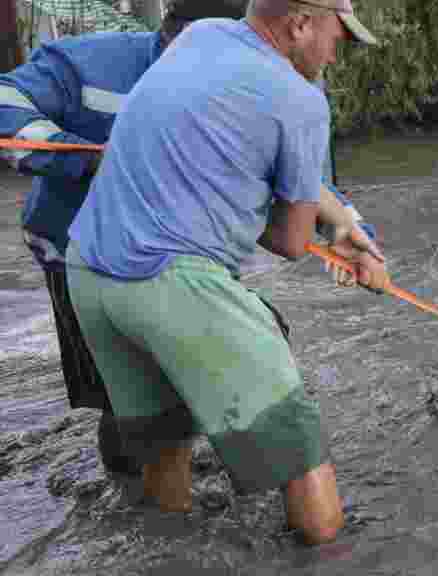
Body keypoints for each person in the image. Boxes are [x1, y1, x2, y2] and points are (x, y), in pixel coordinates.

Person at [0, 0, 377, 478]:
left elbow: (308, 186)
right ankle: (134, 482)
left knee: (239, 352)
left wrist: (358, 234)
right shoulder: (92, 63)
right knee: (120, 404)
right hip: (76, 249)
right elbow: (4, 101)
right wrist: (79, 160)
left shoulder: (275, 86)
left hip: (186, 262)